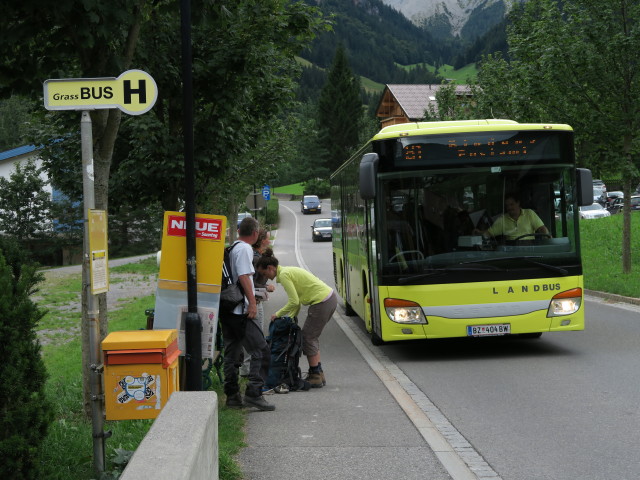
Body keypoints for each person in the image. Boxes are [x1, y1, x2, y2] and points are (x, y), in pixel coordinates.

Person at [255, 248, 337, 388]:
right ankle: (318, 372)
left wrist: (278, 314)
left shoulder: (285, 275)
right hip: (328, 299)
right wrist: (290, 317)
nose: (267, 278)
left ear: (270, 268)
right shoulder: (286, 272)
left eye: (265, 274)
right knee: (312, 336)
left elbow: (294, 302)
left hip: (322, 302)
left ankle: (315, 375)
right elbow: (297, 302)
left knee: (307, 337)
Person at [220, 217, 275, 411]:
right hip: (239, 310)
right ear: (254, 233)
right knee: (261, 350)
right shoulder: (244, 249)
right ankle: (254, 392)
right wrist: (252, 303)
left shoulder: (232, 247)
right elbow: (244, 276)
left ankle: (232, 395)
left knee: (233, 353)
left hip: (227, 307)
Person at [239, 228, 275, 378]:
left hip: (258, 300)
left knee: (257, 335)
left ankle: (251, 368)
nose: (269, 241)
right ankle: (248, 370)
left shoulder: (260, 255)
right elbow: (250, 282)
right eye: (267, 238)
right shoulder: (255, 258)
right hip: (254, 301)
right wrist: (266, 287)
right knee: (255, 336)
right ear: (260, 239)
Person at [476, 193, 549, 241]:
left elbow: (542, 229)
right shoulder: (502, 220)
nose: (509, 207)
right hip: (512, 252)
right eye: (507, 205)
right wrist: (478, 233)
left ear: (518, 203)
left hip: (530, 249)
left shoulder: (529, 213)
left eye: (511, 204)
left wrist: (548, 242)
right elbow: (488, 234)